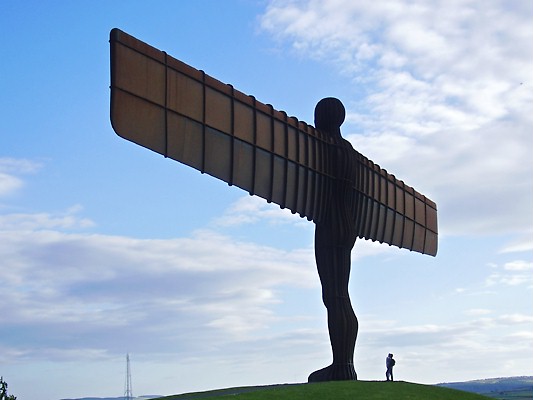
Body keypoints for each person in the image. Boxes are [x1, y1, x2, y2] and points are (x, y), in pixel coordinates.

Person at [308, 98, 360, 382]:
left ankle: (342, 365)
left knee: (334, 295)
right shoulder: (350, 152)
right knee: (341, 294)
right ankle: (344, 363)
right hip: (347, 225)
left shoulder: (321, 146)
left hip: (329, 222)